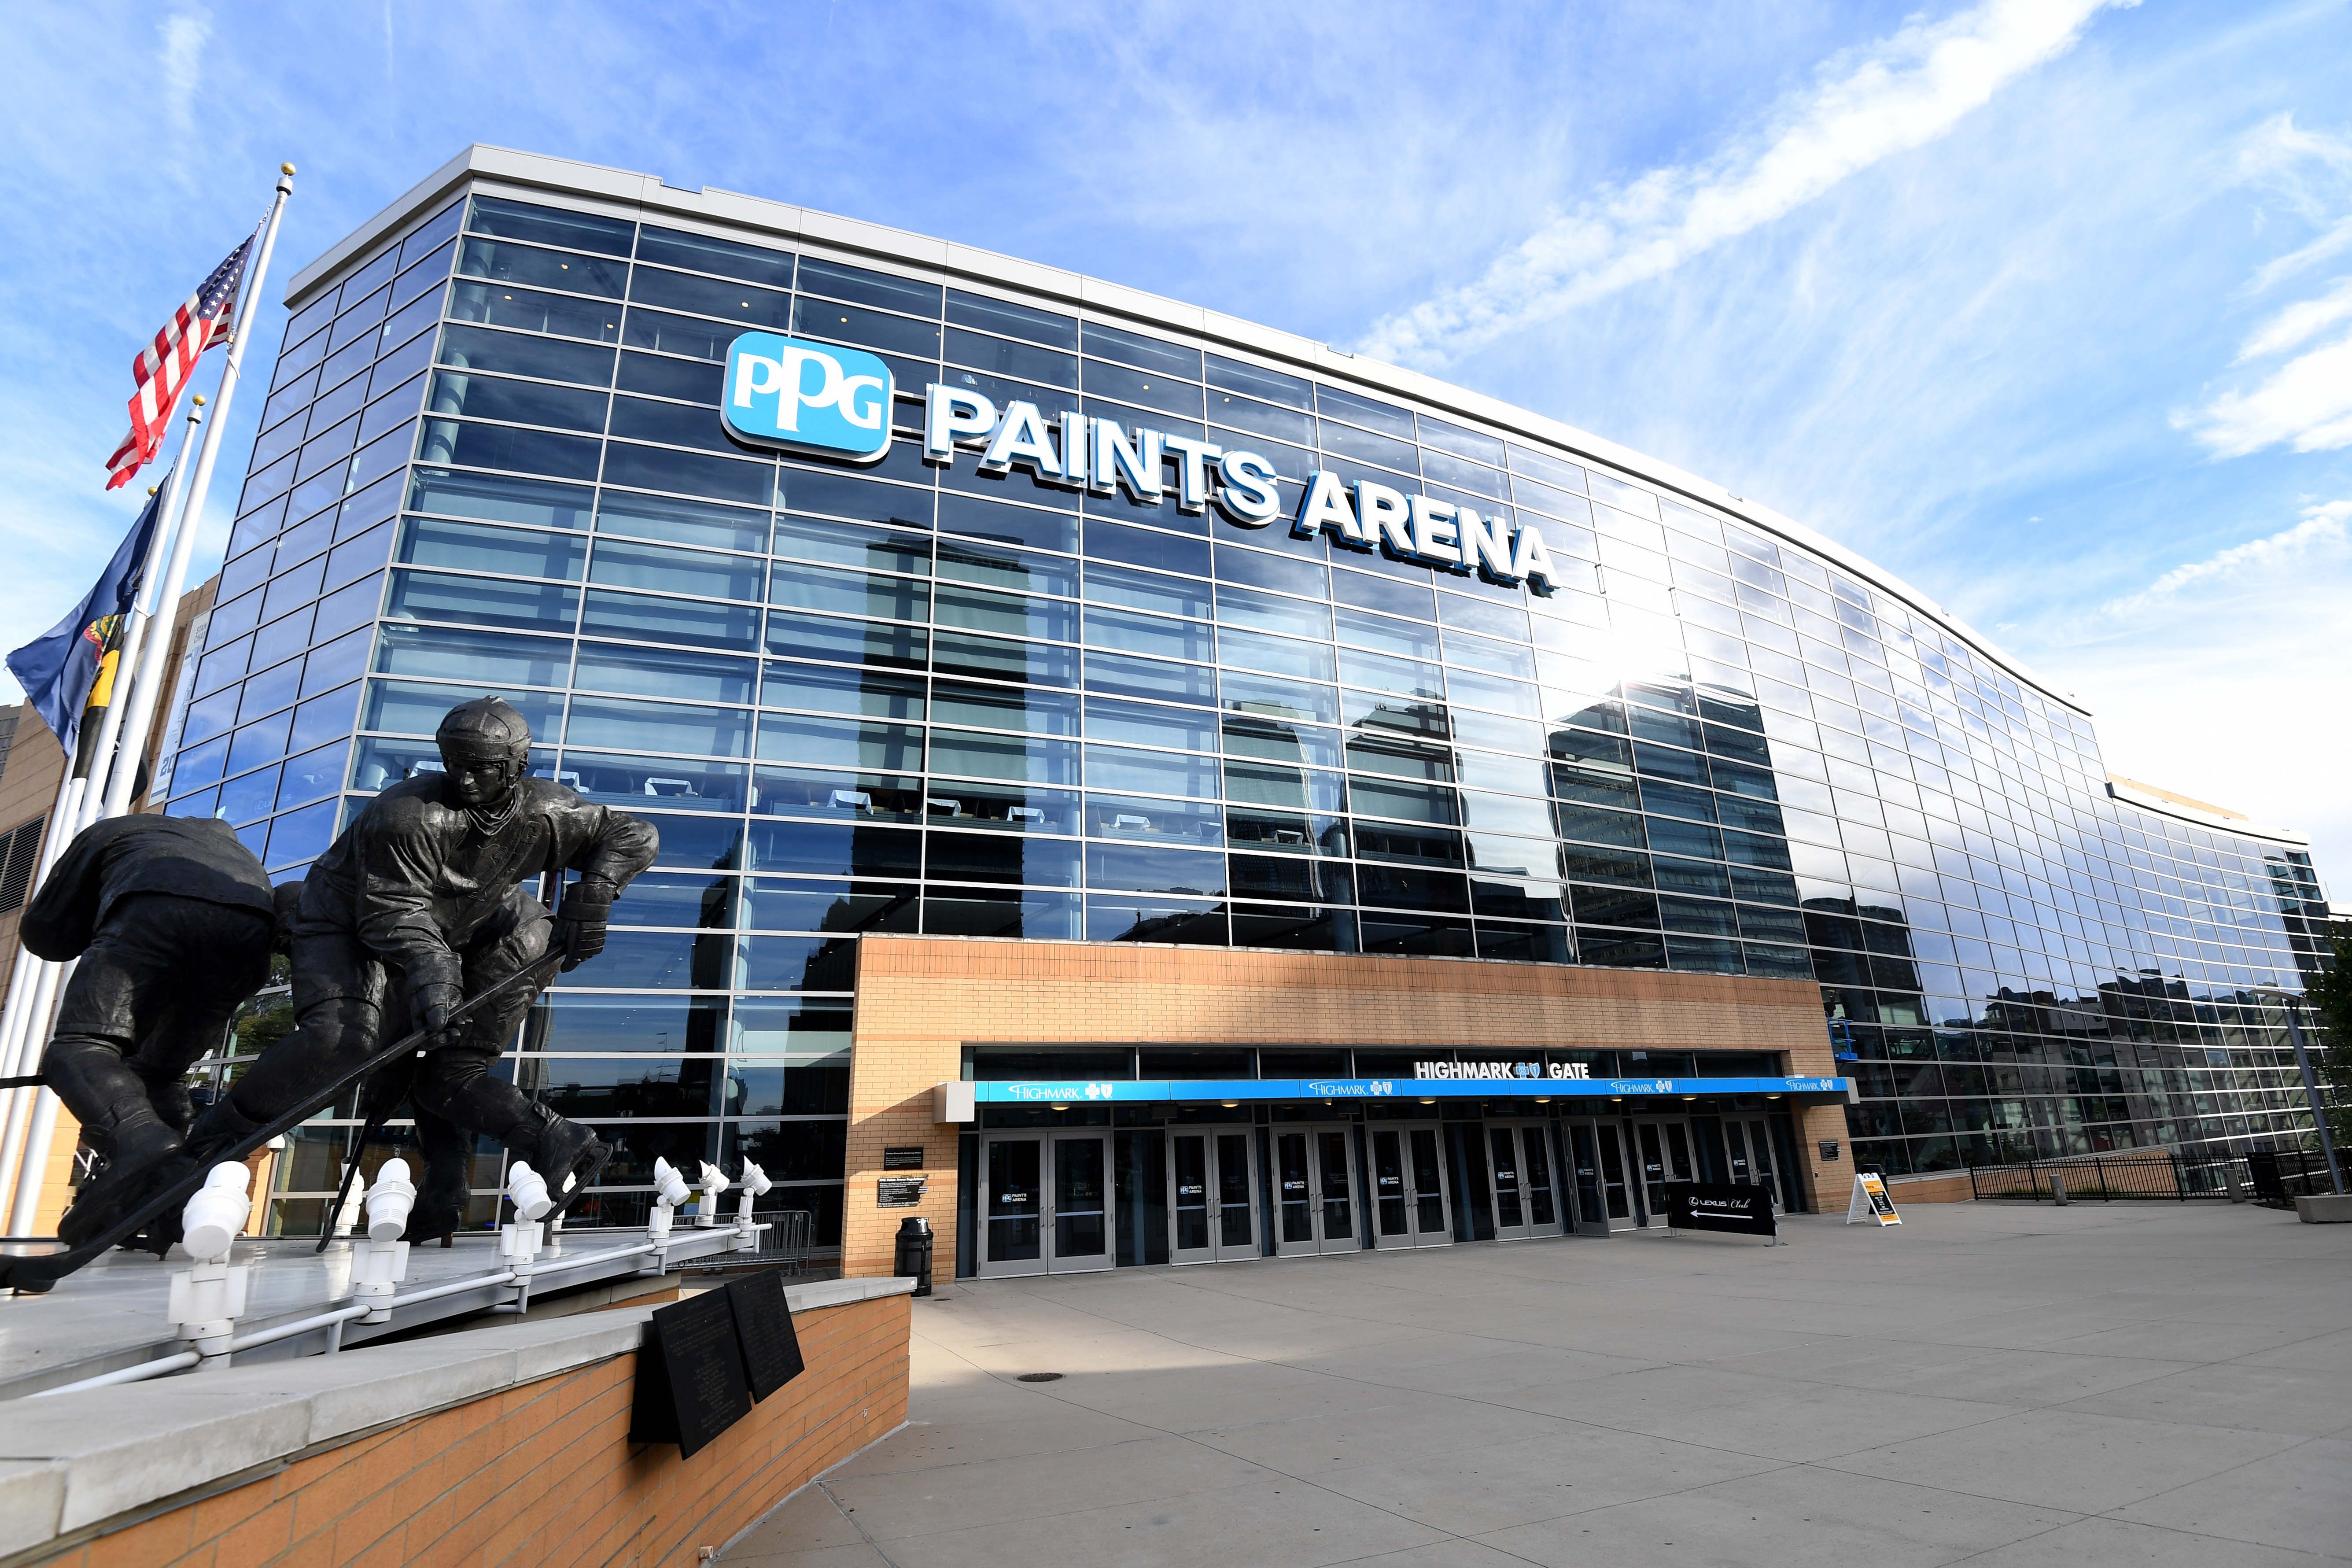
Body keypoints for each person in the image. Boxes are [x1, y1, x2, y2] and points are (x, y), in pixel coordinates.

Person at [181, 697, 659, 1241]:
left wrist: (595, 892)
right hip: (368, 927)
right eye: (455, 764)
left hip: (496, 935)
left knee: (448, 1077)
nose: (466, 779)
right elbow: (393, 911)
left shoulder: (551, 812)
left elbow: (633, 833)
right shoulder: (407, 815)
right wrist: (436, 978)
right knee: (344, 1040)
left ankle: (515, 1161)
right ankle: (207, 1147)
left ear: (517, 768)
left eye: (482, 769)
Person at [19, 814, 280, 1246]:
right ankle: (168, 1201)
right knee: (158, 1074)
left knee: (78, 1049)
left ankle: (137, 1138)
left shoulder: (117, 830)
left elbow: (46, 933)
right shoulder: (242, 859)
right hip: (250, 936)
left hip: (156, 907)